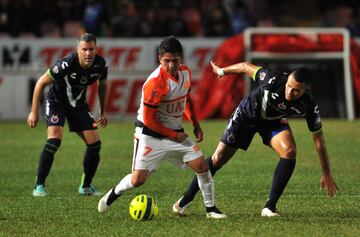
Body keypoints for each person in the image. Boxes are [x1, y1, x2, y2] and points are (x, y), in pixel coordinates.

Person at [173, 61, 338, 217]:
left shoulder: (308, 105)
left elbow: (319, 139)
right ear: (287, 79)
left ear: (306, 89)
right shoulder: (272, 79)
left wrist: (326, 172)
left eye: (296, 90)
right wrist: (221, 71)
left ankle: (269, 207)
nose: (289, 92)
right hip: (247, 115)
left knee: (290, 151)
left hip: (272, 122)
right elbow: (245, 67)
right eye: (289, 85)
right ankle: (184, 201)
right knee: (217, 160)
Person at [97, 36, 226, 219]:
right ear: (160, 59)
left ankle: (210, 209)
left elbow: (186, 99)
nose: (171, 65)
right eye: (167, 61)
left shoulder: (186, 73)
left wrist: (195, 123)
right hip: (149, 135)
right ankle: (113, 194)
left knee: (202, 166)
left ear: (181, 59)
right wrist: (173, 134)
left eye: (175, 60)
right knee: (138, 180)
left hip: (174, 133)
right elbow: (149, 121)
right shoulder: (154, 83)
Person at [28, 33, 108, 197]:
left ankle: (85, 187)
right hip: (57, 103)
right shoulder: (66, 63)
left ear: (96, 49)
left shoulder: (100, 65)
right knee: (54, 140)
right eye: (84, 49)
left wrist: (103, 111)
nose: (88, 53)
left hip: (78, 106)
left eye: (91, 49)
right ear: (78, 49)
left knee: (95, 144)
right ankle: (39, 186)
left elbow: (102, 85)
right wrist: (34, 112)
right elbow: (41, 83)